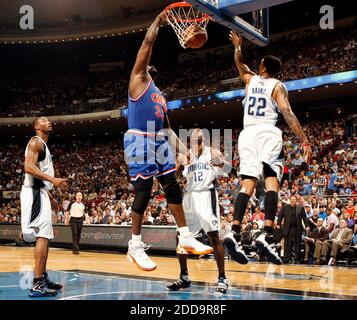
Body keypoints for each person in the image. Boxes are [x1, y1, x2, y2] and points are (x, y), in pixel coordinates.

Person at [124, 13, 212, 271]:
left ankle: (185, 236)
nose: (148, 65)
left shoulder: (160, 96)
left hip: (159, 139)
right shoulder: (137, 79)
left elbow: (168, 130)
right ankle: (135, 245)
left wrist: (186, 152)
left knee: (172, 186)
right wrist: (158, 21)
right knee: (143, 192)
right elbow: (147, 43)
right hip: (139, 139)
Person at [223, 32, 312, 265]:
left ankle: (233, 231)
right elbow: (288, 113)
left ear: (262, 66)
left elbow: (239, 64)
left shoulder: (250, 79)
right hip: (266, 133)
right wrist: (304, 140)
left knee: (247, 185)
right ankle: (267, 235)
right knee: (272, 183)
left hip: (247, 134)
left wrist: (237, 47)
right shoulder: (277, 85)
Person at [167, 129, 228, 294]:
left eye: (200, 131)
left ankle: (222, 278)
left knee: (213, 236)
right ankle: (184, 276)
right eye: (194, 131)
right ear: (190, 138)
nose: (197, 131)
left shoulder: (212, 152)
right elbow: (176, 176)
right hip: (189, 198)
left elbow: (225, 166)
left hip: (207, 194)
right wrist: (179, 166)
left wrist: (220, 162)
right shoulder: (185, 155)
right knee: (181, 236)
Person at [20, 117, 68, 297]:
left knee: (46, 236)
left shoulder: (43, 146)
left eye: (48, 120)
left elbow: (38, 177)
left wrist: (50, 196)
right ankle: (37, 284)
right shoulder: (35, 142)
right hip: (33, 193)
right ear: (36, 126)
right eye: (44, 120)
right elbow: (28, 167)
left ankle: (42, 277)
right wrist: (53, 181)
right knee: (41, 235)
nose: (48, 122)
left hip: (40, 192)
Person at [277, 196, 309, 263]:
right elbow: (280, 216)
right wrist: (278, 224)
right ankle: (286, 259)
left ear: (296, 201)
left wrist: (307, 226)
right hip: (288, 228)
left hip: (297, 228)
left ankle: (297, 259)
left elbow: (305, 218)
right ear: (289, 200)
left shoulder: (300, 208)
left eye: (294, 200)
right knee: (287, 244)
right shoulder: (285, 208)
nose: (292, 201)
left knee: (297, 244)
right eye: (291, 200)